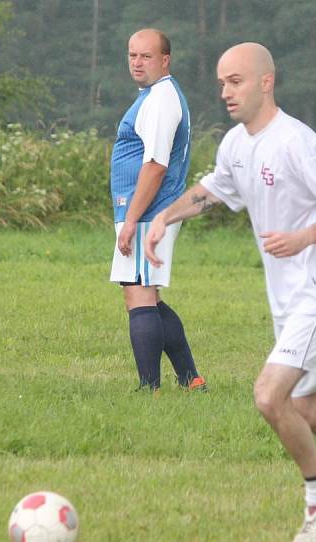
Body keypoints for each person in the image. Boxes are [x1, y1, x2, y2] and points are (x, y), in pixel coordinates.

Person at [145, 42, 316, 542]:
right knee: (314, 412)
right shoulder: (236, 144)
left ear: (266, 82)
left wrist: (304, 236)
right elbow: (211, 190)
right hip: (288, 301)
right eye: (222, 82)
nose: (225, 91)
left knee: (270, 396)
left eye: (236, 81)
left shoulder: (296, 141)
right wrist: (163, 217)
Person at [109, 28, 205, 393]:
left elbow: (155, 164)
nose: (137, 62)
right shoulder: (153, 96)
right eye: (132, 55)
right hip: (147, 210)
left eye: (145, 56)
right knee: (148, 293)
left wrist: (132, 219)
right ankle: (191, 378)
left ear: (165, 60)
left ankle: (148, 388)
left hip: (150, 212)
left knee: (138, 293)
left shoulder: (161, 99)